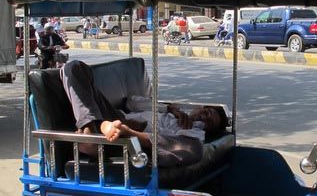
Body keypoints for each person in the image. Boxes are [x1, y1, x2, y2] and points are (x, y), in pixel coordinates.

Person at [60, 60, 227, 167]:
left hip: (132, 138)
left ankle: (103, 132)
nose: (203, 117)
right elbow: (132, 102)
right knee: (74, 67)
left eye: (208, 121)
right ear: (199, 108)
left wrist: (135, 132)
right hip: (118, 118)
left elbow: (176, 144)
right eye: (206, 112)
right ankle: (92, 127)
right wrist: (169, 109)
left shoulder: (193, 132)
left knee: (195, 149)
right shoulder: (171, 111)